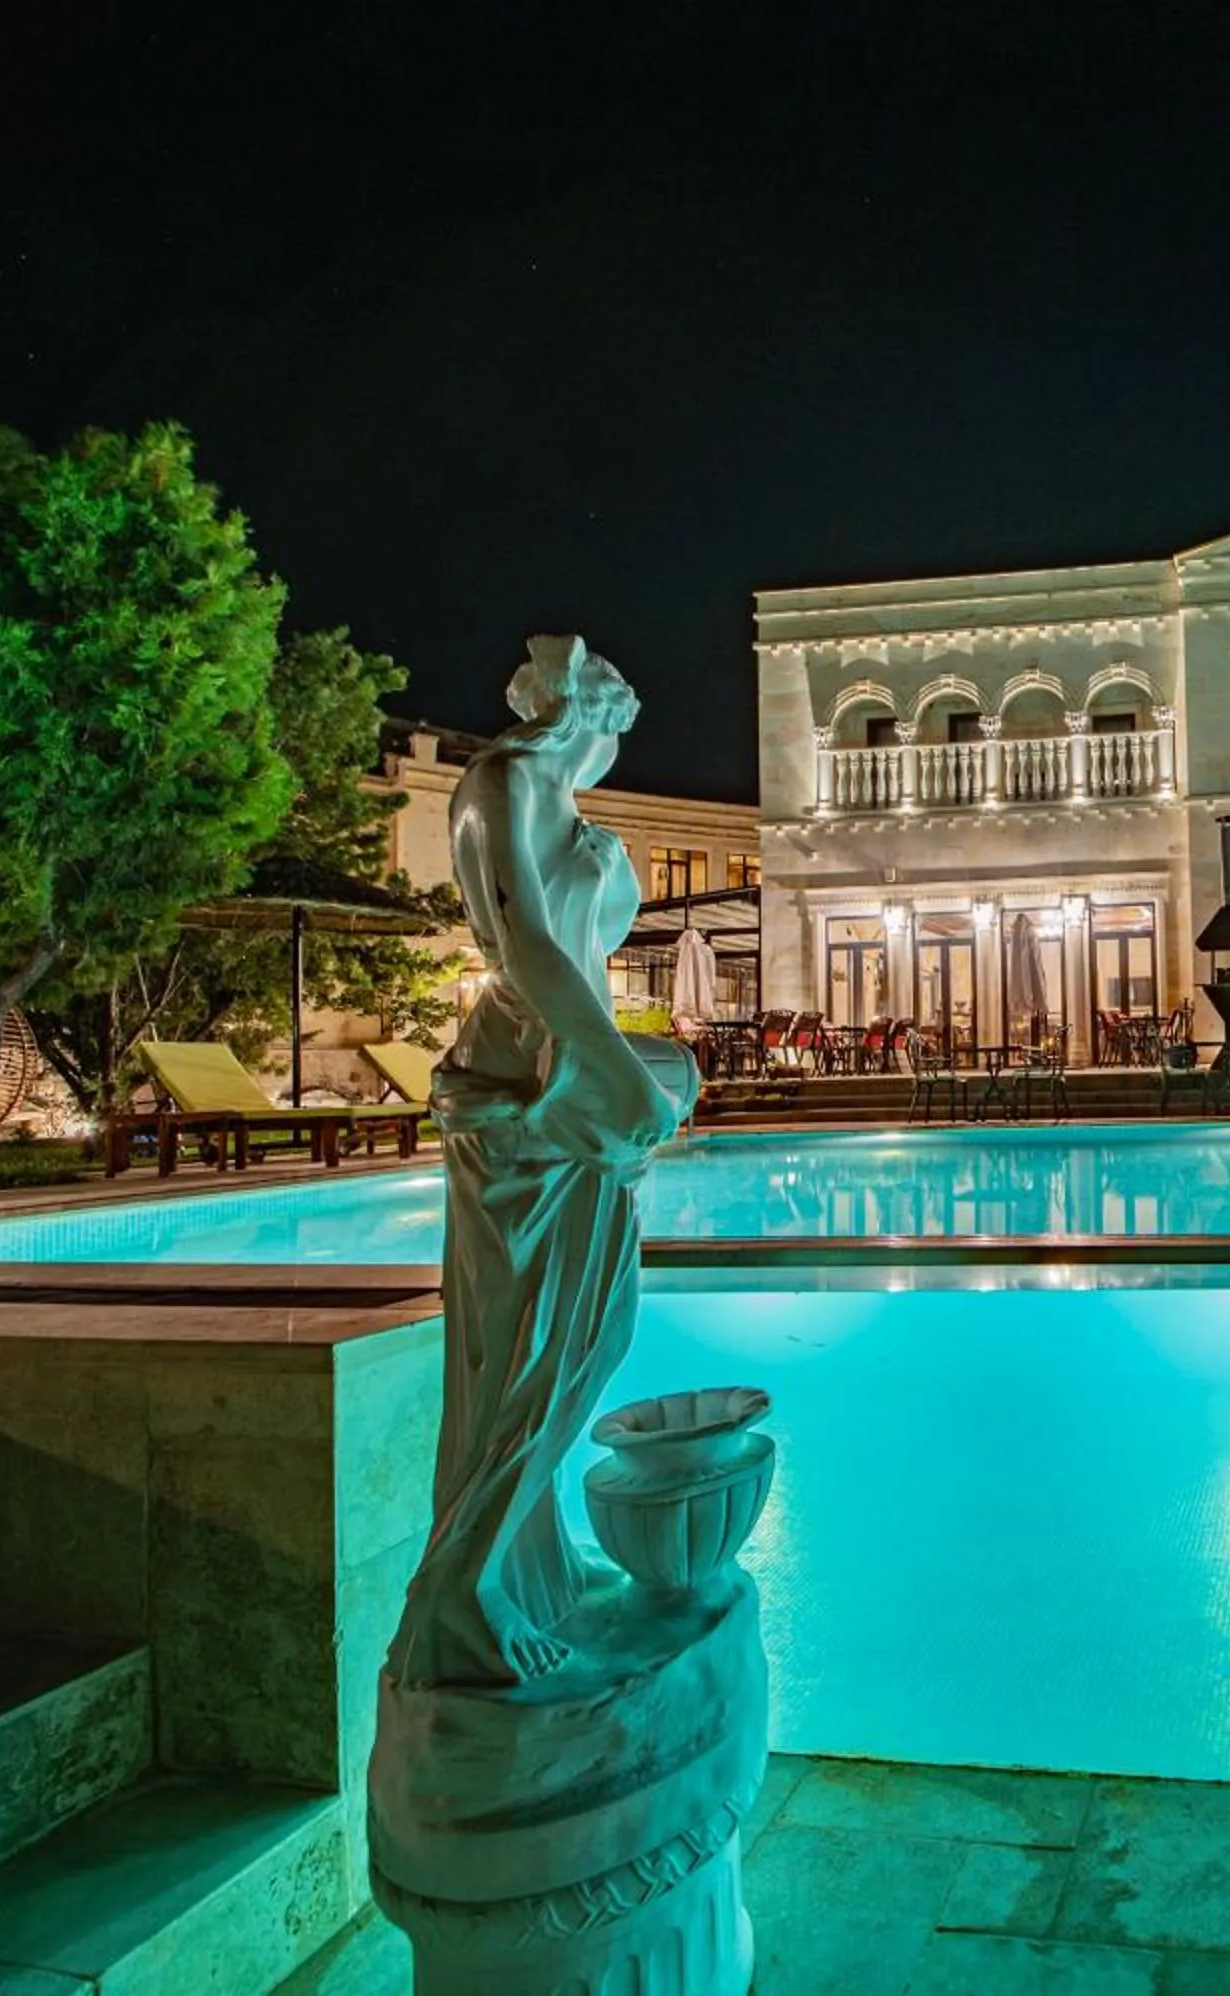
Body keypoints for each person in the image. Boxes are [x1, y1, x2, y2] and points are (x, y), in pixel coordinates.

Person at [385, 634, 691, 1689]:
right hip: (524, 1091)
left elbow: (585, 958)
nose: (616, 750)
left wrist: (634, 1070)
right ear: (589, 714)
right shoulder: (500, 782)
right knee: (536, 1347)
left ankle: (526, 1559)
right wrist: (620, 1081)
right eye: (616, 724)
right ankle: (461, 1588)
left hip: (573, 1082)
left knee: (578, 1334)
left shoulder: (585, 825)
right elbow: (523, 949)